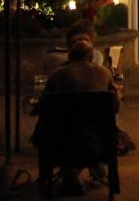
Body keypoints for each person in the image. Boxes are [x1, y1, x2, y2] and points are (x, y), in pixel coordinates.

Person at [36, 38, 121, 195]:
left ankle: (70, 177)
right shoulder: (104, 73)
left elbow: (43, 105)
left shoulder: (58, 75)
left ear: (70, 56)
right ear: (91, 57)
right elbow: (116, 105)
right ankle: (80, 175)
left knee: (45, 128)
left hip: (61, 140)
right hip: (99, 139)